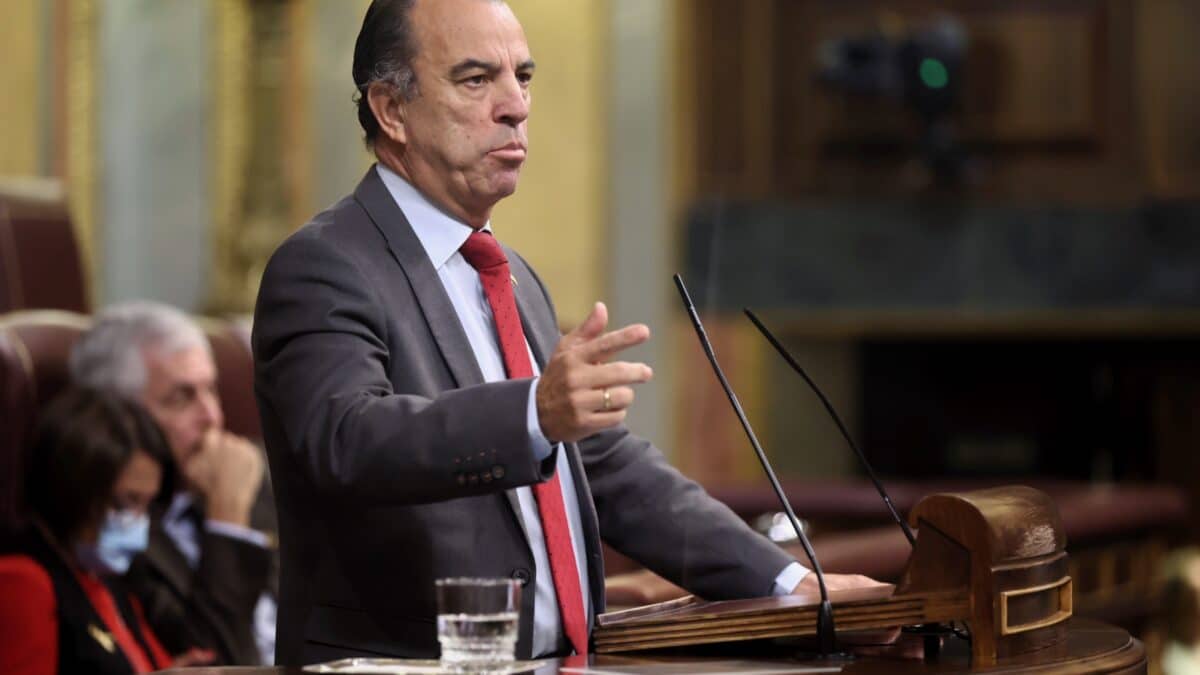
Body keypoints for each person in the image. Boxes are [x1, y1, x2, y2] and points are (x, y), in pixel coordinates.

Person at [252, 0, 883, 664]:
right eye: (475, 79)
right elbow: (345, 441)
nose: (516, 106)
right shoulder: (326, 264)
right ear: (391, 109)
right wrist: (533, 411)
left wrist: (791, 582)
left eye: (521, 76)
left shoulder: (507, 272)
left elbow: (606, 468)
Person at [69, 302, 278, 665]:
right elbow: (215, 661)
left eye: (211, 390)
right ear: (121, 418)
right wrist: (228, 519)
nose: (212, 417)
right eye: (181, 398)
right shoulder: (117, 532)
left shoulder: (259, 470)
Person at [0, 388, 215, 674]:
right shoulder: (23, 580)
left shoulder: (103, 574)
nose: (138, 523)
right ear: (73, 489)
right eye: (126, 502)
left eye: (146, 505)